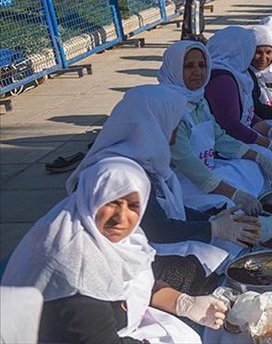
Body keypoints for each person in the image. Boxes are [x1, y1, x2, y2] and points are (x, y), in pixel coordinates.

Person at [2, 157, 227, 343]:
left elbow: (143, 275)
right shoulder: (74, 272)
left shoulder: (102, 234)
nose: (121, 217)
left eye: (133, 205)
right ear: (91, 198)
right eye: (111, 202)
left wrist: (183, 303)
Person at [63, 85, 260, 284]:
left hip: (142, 241)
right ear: (155, 123)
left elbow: (164, 209)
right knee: (198, 268)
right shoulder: (120, 175)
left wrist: (211, 218)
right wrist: (212, 228)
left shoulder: (143, 158)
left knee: (222, 248)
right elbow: (157, 228)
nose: (176, 128)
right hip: (114, 261)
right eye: (174, 122)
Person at [158, 41, 272, 215]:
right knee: (228, 205)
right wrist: (235, 194)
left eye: (202, 65)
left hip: (207, 168)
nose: (197, 72)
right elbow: (188, 164)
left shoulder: (198, 99)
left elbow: (220, 138)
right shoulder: (169, 107)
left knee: (252, 169)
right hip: (182, 182)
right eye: (188, 66)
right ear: (175, 69)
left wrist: (260, 157)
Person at [204, 27, 272, 161]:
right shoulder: (222, 80)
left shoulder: (238, 73)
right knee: (266, 159)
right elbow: (231, 127)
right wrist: (269, 144)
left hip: (238, 139)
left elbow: (248, 116)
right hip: (221, 150)